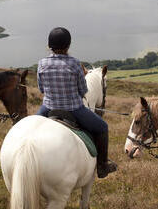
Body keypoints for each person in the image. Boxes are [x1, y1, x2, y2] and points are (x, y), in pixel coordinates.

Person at [36, 27, 117, 178]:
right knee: (102, 127)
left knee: (31, 125)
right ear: (68, 45)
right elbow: (82, 90)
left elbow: (41, 89)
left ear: (49, 46)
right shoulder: (74, 64)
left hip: (47, 108)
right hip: (73, 109)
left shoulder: (41, 63)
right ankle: (102, 166)